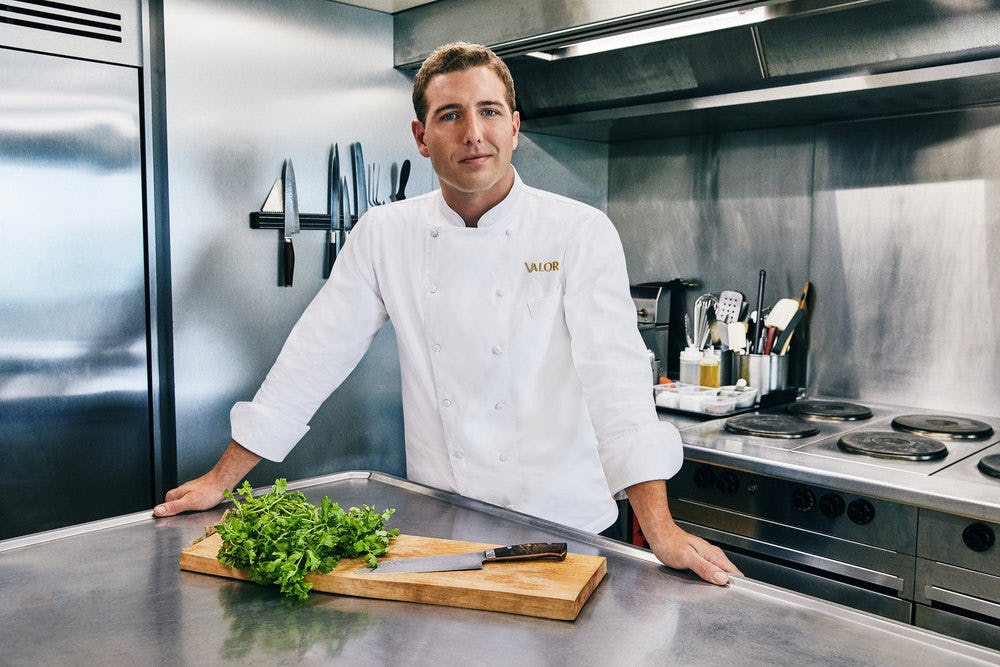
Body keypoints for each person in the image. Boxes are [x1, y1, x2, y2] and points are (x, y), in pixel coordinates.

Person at [154, 42, 741, 586]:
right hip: (444, 524)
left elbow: (616, 381)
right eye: (450, 114)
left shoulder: (578, 232)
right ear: (420, 134)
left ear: (515, 125)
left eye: (489, 111)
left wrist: (659, 530)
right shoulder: (386, 234)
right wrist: (219, 481)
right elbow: (311, 358)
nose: (473, 133)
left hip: (567, 529)